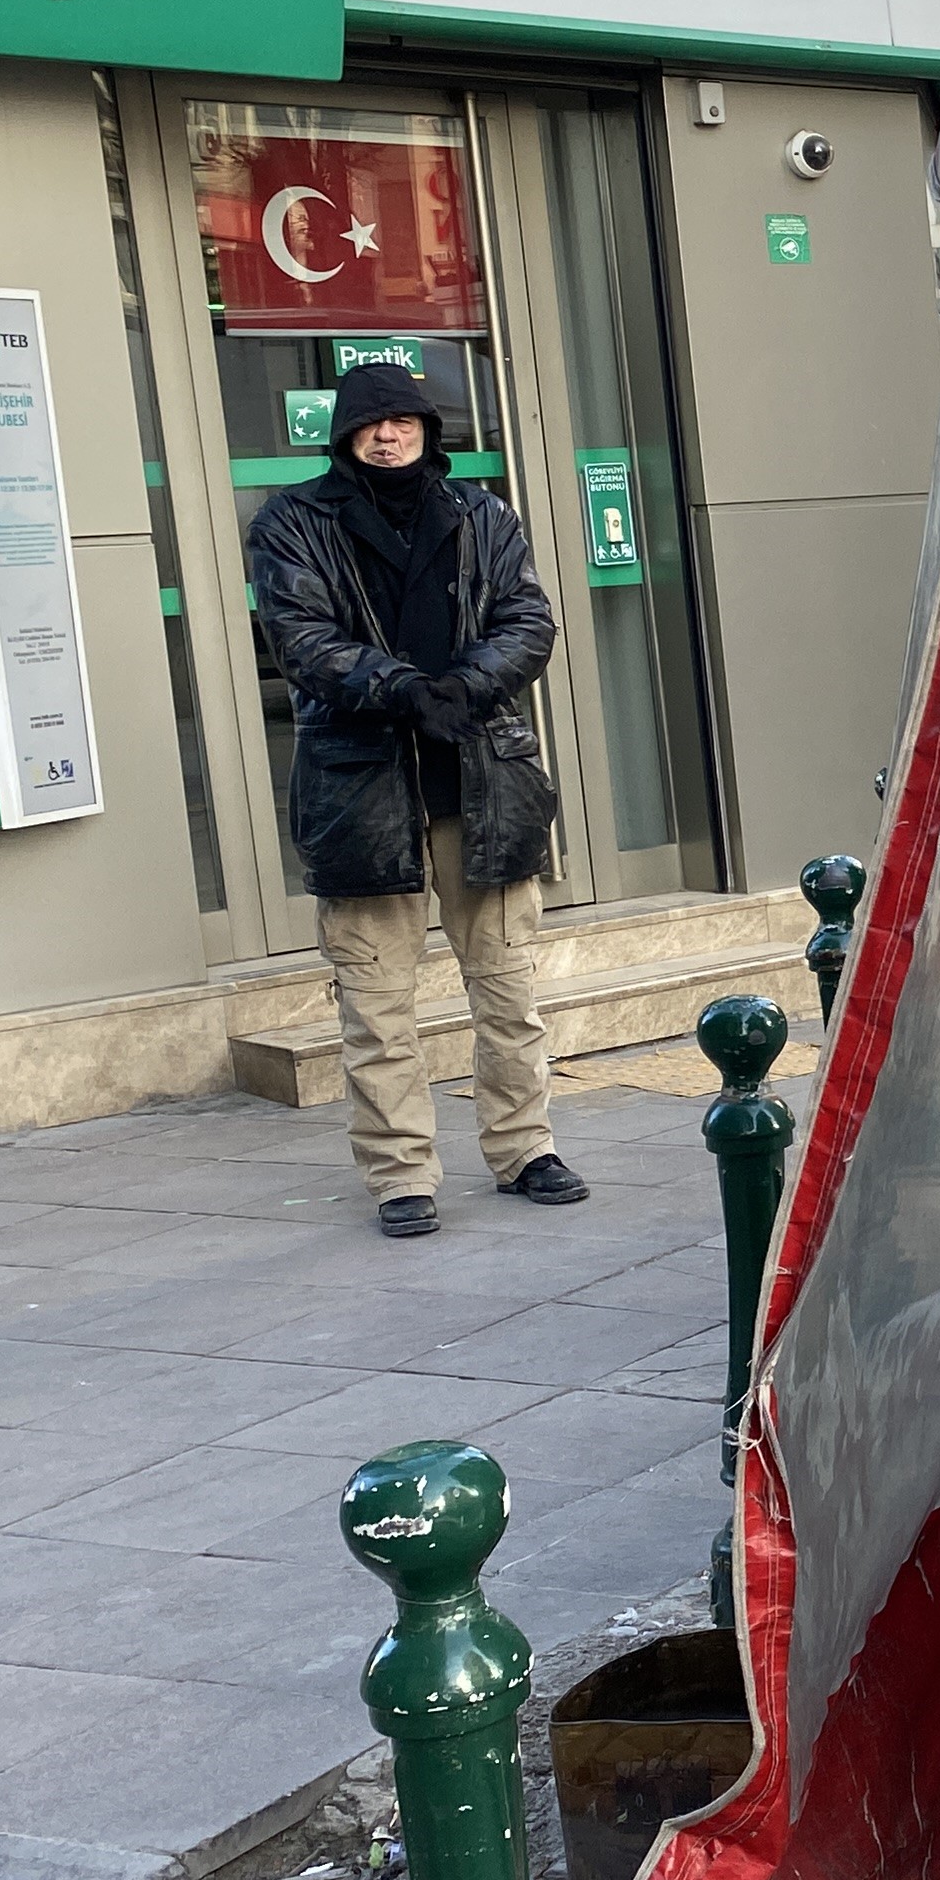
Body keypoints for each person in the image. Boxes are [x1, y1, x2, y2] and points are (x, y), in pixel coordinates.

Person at [246, 364, 589, 1236]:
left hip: (482, 783)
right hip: (362, 793)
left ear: (428, 431)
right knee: (376, 1005)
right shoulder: (294, 521)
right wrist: (401, 687)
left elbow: (528, 619)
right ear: (345, 435)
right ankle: (401, 1175)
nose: (388, 437)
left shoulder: (481, 514)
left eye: (403, 421)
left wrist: (466, 687)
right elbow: (301, 637)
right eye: (371, 425)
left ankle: (525, 1150)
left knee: (508, 990)